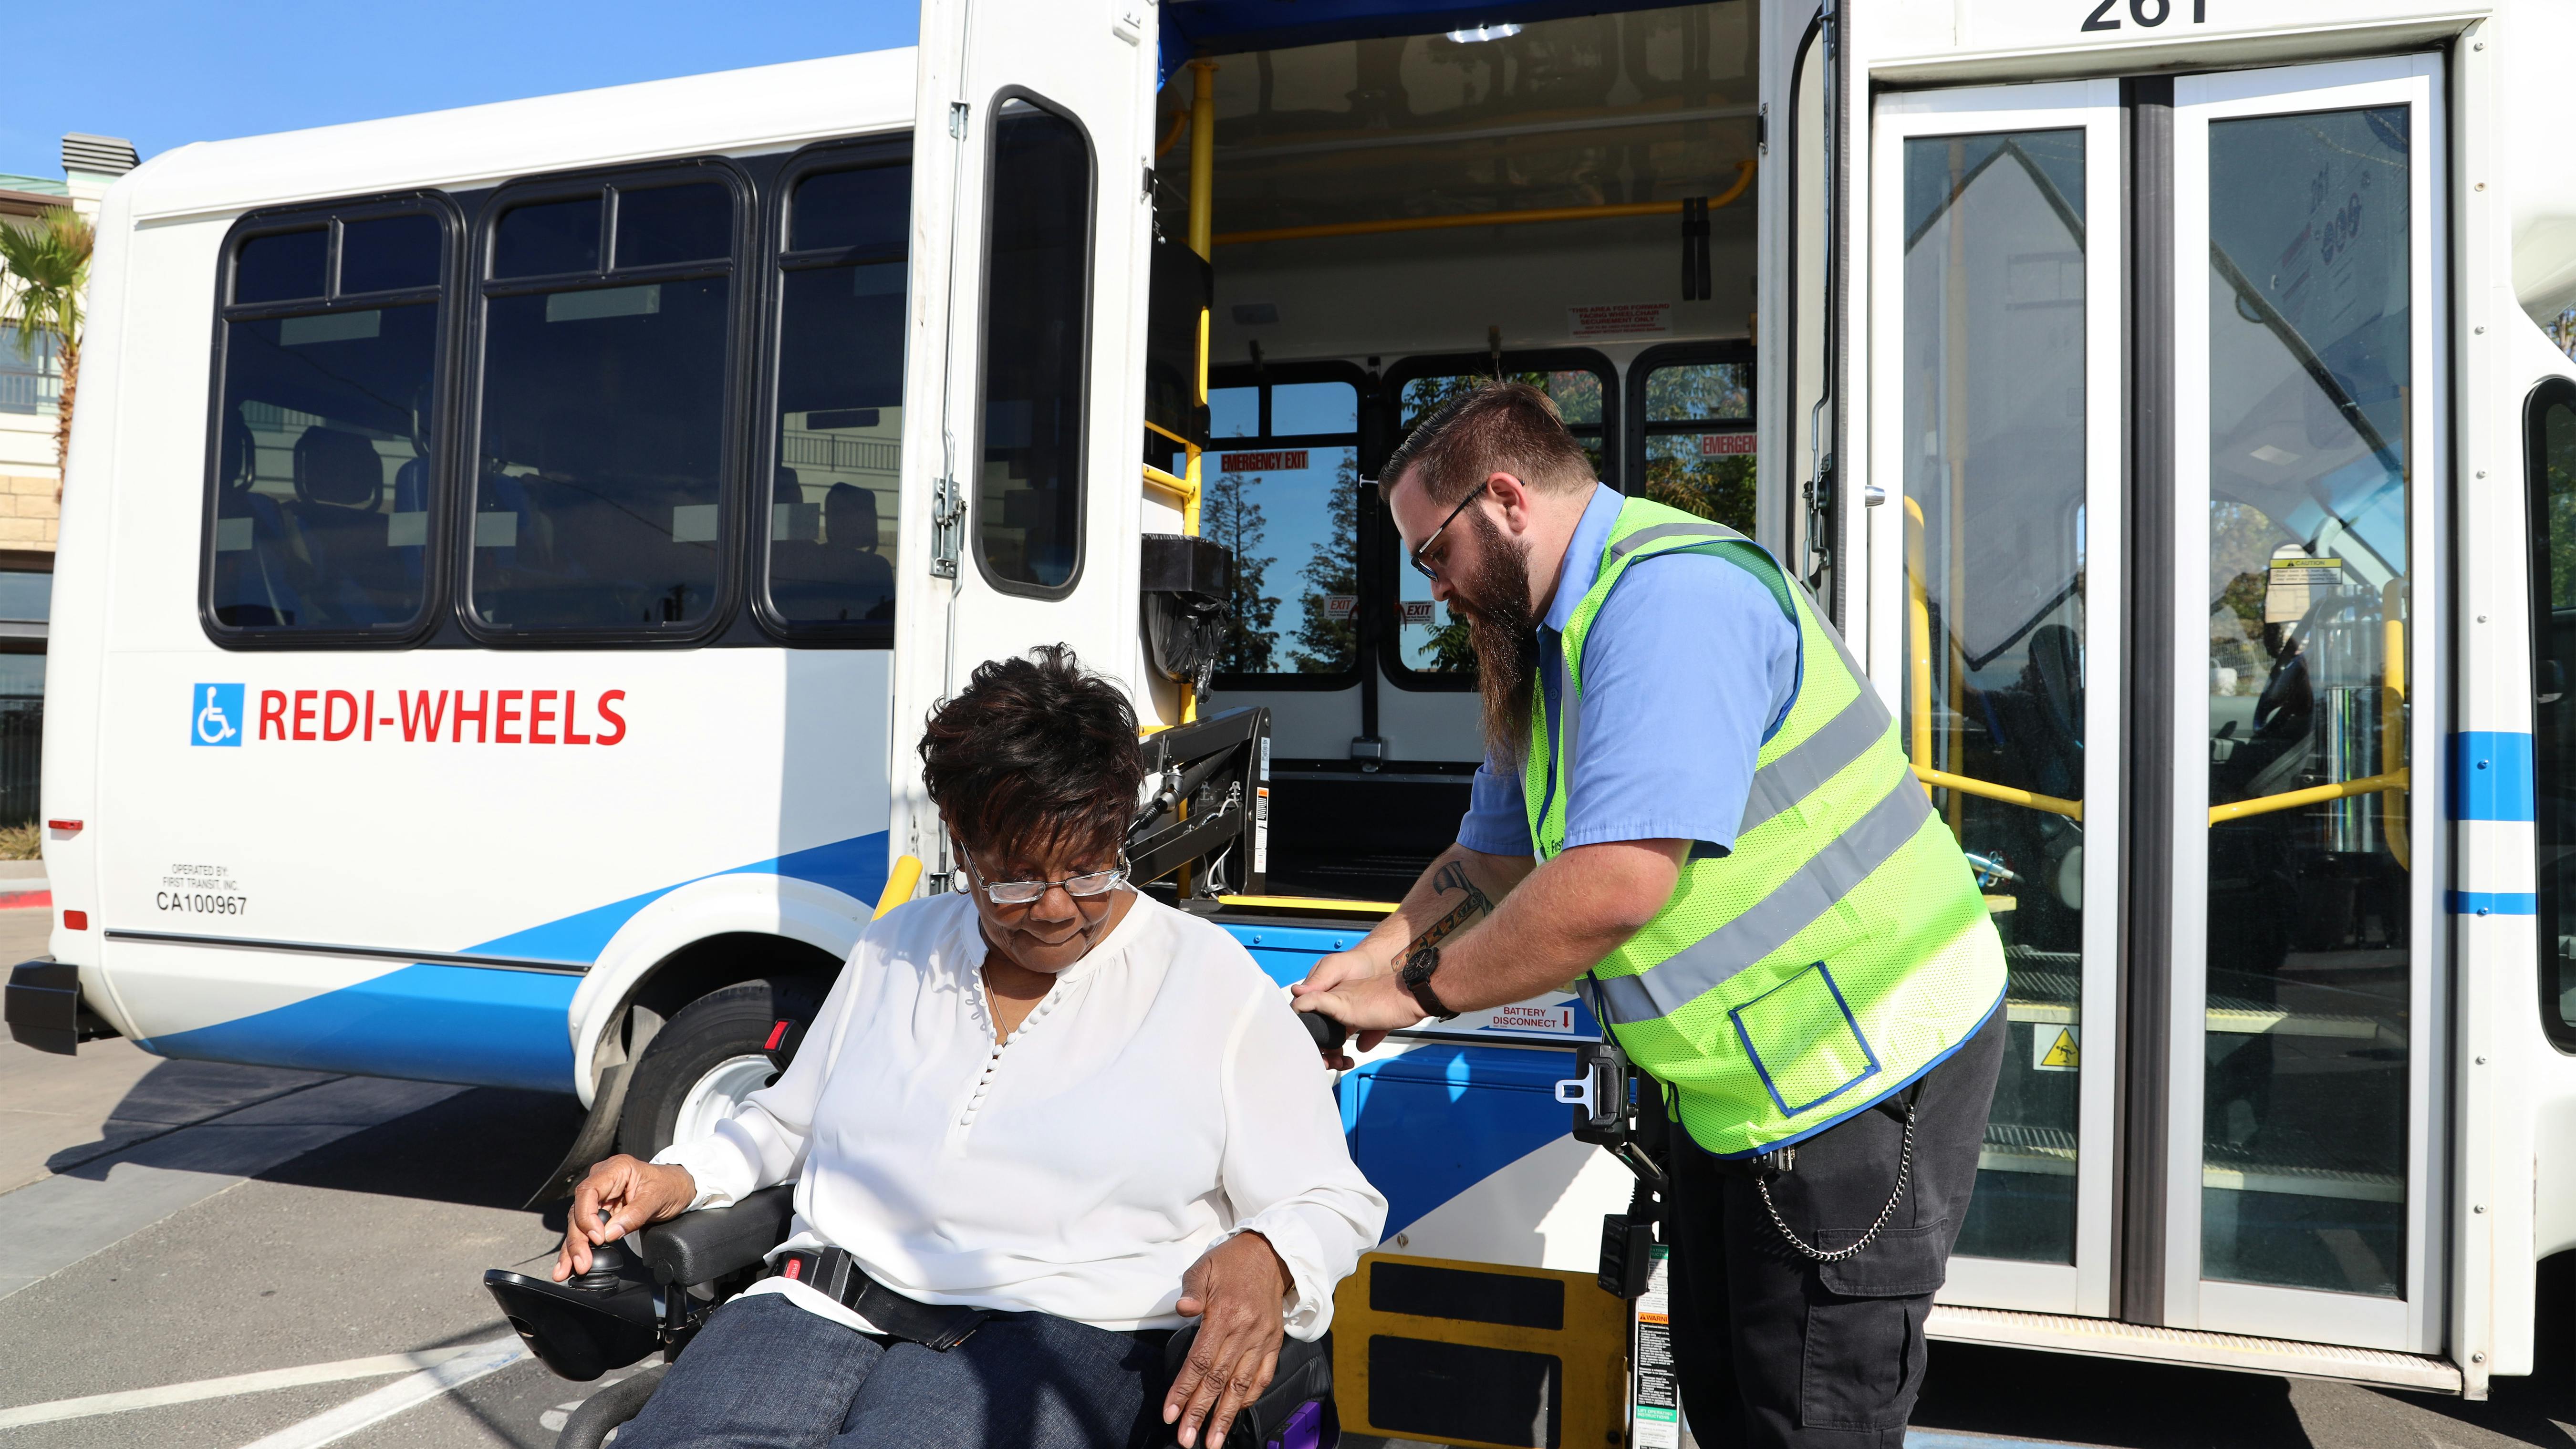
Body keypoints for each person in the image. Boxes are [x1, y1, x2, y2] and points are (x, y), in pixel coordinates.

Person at [1293, 383, 2006, 1448]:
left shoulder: (1667, 602)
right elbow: (1487, 858)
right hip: (1741, 1093)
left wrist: (1413, 994)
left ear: (1505, 500)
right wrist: (1363, 961)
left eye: (1432, 552)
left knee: (1808, 1416)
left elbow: (1619, 883)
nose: (1430, 586)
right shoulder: (1541, 647)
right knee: (1726, 1398)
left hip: (1860, 1072)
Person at [558, 645, 1386, 1449]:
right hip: (822, 1303)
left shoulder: (1208, 981)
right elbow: (787, 1123)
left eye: (1091, 871)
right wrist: (681, 1173)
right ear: (960, 843)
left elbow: (1331, 1196)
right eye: (1018, 880)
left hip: (1064, 1332)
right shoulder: (896, 948)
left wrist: (1270, 1253)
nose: (1059, 908)